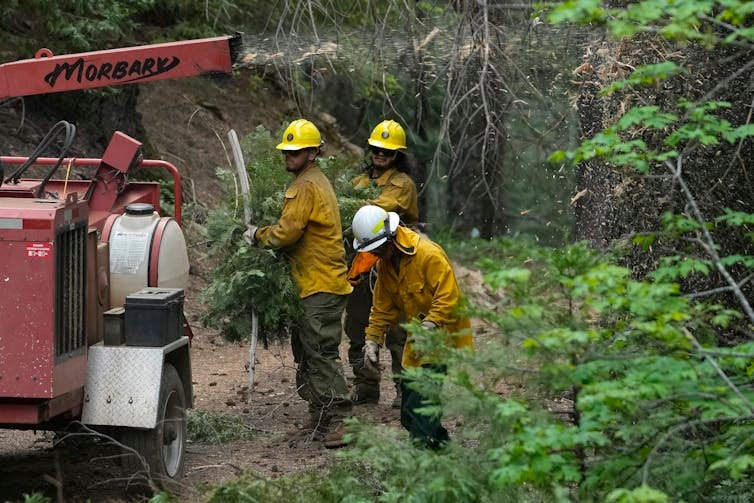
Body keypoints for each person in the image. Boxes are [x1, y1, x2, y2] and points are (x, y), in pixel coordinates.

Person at [245, 118, 353, 448]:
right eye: (286, 152)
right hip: (313, 282)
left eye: (295, 152)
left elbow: (288, 232)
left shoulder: (305, 186)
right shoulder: (312, 180)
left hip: (320, 284)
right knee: (307, 352)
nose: (287, 157)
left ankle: (343, 420)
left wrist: (257, 236)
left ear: (312, 154)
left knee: (319, 352)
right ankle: (319, 419)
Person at [350, 204, 473, 449]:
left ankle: (422, 465)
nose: (377, 254)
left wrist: (430, 324)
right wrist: (372, 339)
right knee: (408, 415)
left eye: (379, 248)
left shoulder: (428, 255)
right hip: (415, 342)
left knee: (421, 415)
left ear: (391, 235)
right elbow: (383, 306)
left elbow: (449, 297)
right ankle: (445, 451)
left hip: (440, 336)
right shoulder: (385, 264)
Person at [346, 120, 419, 408]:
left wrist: (351, 204)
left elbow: (374, 211)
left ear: (397, 155)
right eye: (376, 149)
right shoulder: (358, 182)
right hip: (363, 260)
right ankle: (365, 385)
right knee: (357, 323)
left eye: (387, 152)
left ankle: (404, 389)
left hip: (394, 259)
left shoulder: (403, 185)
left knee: (399, 329)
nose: (380, 155)